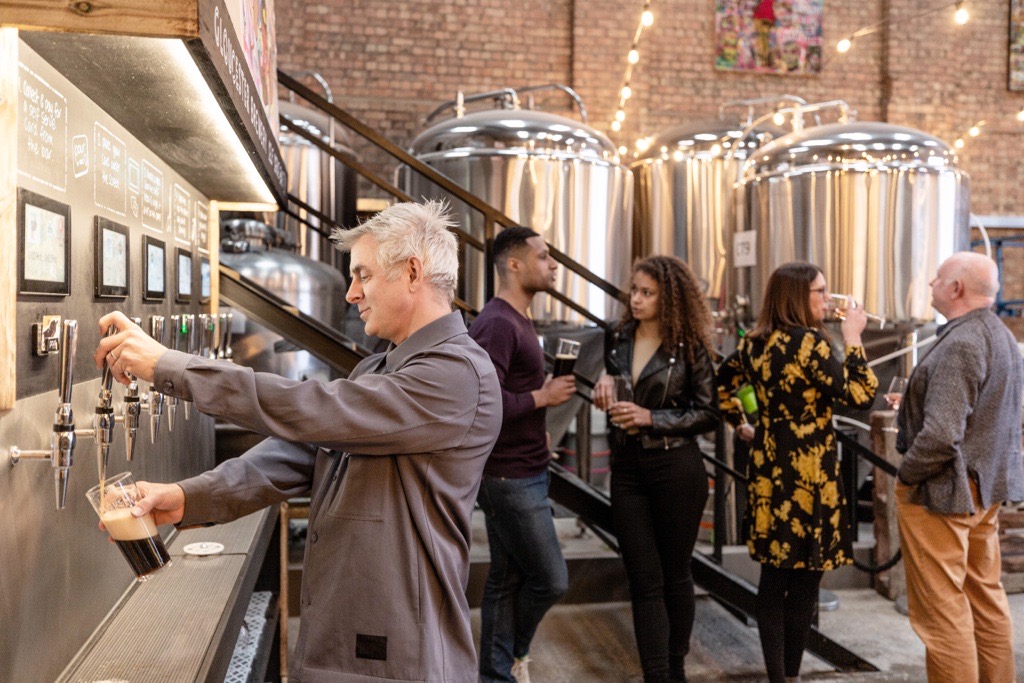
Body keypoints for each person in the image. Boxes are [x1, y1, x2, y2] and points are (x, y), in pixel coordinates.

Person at [93, 201, 502, 682]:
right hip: (338, 639)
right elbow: (298, 453)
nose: (351, 293)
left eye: (363, 276)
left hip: (399, 655)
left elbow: (316, 408)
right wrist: (185, 498)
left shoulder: (457, 374)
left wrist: (171, 367)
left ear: (413, 272)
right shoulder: (379, 367)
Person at [716, 262, 877, 683]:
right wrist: (854, 337)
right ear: (796, 297)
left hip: (770, 475)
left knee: (773, 580)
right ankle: (790, 675)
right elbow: (861, 394)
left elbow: (721, 385)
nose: (827, 299)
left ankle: (778, 678)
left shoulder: (754, 344)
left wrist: (744, 423)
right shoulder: (811, 345)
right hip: (811, 478)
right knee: (806, 584)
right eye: (820, 292)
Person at [894, 251, 1023, 683]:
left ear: (956, 289)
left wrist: (906, 473)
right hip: (983, 491)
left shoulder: (962, 342)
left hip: (943, 493)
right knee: (984, 599)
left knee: (942, 614)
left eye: (937, 279)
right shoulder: (1001, 336)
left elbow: (941, 435)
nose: (932, 284)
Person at [592, 255, 720, 683]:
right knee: (643, 577)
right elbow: (614, 381)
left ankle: (676, 665)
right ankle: (657, 674)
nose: (637, 299)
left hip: (676, 467)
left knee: (674, 574)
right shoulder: (618, 336)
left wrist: (652, 418)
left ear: (670, 298)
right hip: (628, 467)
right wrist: (605, 382)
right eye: (635, 291)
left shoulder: (690, 346)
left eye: (648, 293)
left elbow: (708, 412)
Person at [469, 226, 575, 683]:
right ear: (514, 264)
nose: (553, 265)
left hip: (527, 468)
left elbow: (510, 392)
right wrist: (542, 399)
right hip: (509, 478)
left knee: (506, 579)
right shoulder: (497, 323)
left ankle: (496, 674)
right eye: (544, 256)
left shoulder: (519, 319)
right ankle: (517, 654)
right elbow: (480, 403)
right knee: (552, 580)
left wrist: (539, 426)